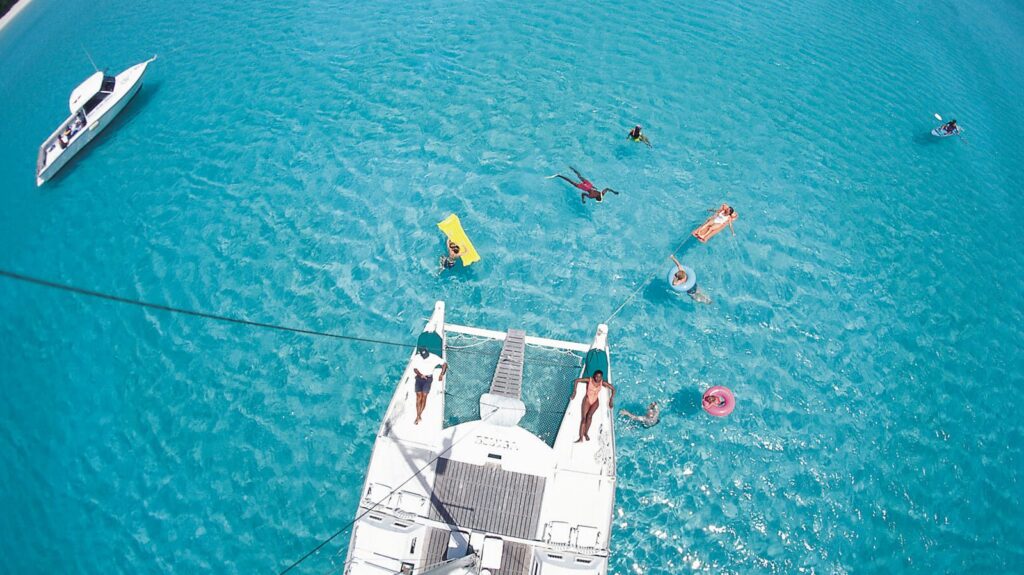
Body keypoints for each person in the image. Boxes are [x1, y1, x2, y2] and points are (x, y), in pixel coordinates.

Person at [569, 370, 615, 442]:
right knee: (584, 418)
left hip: (595, 402)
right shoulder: (589, 380)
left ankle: (586, 433)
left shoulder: (602, 383)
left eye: (600, 377)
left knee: (589, 417)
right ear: (594, 376)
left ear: (601, 377)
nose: (598, 378)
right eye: (596, 376)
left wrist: (611, 400)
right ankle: (581, 437)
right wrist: (575, 392)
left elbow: (613, 389)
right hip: (587, 400)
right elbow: (577, 380)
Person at [412, 347, 448, 424]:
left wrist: (441, 374)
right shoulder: (417, 357)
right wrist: (421, 375)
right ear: (420, 354)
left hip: (428, 378)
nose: (426, 357)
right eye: (424, 356)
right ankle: (418, 416)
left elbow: (444, 364)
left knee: (424, 396)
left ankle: (418, 415)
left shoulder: (434, 357)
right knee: (418, 396)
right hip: (419, 377)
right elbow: (415, 369)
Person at [549, 167, 620, 204]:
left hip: (589, 185)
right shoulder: (591, 197)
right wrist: (583, 200)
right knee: (571, 181)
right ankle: (559, 176)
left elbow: (607, 188)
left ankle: (571, 168)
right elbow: (583, 193)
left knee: (579, 176)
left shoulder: (602, 193)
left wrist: (614, 192)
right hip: (585, 188)